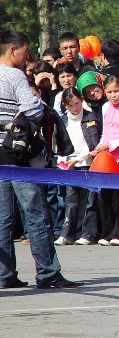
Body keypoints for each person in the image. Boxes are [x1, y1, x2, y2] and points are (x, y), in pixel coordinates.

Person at [0, 30, 80, 289]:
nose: (28, 58)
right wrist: (41, 106)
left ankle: (4, 274)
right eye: (25, 51)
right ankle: (48, 272)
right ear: (13, 50)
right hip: (18, 156)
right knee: (36, 213)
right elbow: (32, 108)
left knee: (2, 218)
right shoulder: (14, 76)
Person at [91, 75, 119, 246]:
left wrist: (110, 144)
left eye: (116, 91)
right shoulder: (104, 107)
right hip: (107, 159)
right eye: (109, 92)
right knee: (104, 196)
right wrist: (99, 147)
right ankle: (107, 232)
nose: (113, 95)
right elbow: (105, 133)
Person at [55, 87, 101, 246]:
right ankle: (67, 234)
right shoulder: (63, 120)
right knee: (70, 199)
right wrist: (62, 160)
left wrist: (78, 159)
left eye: (77, 103)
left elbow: (93, 144)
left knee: (90, 200)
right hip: (69, 164)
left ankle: (88, 234)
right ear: (65, 105)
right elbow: (59, 144)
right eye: (70, 105)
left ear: (81, 100)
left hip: (87, 162)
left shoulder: (90, 117)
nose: (75, 107)